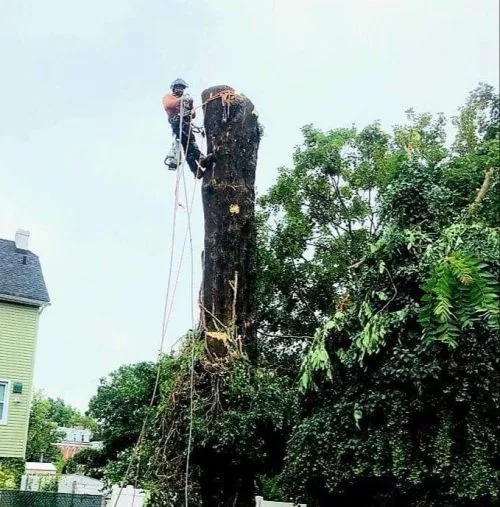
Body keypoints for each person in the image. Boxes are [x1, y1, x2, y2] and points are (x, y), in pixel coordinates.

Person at [162, 78, 212, 178]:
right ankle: (200, 162)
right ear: (174, 88)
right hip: (177, 124)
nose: (180, 90)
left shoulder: (186, 99)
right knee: (190, 145)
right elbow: (168, 105)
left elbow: (193, 114)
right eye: (178, 87)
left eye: (182, 88)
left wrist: (189, 106)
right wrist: (181, 101)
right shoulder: (169, 96)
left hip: (186, 124)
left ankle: (197, 169)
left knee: (189, 147)